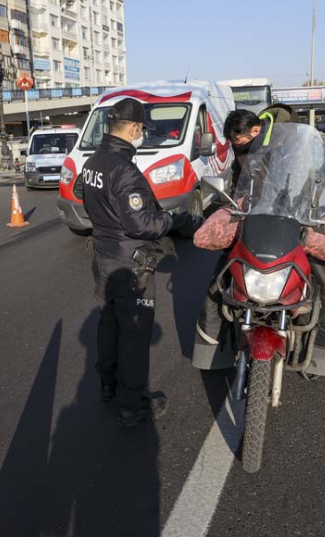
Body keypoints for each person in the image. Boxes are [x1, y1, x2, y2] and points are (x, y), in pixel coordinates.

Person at [191, 110, 325, 378]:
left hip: (291, 216)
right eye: (232, 139)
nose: (234, 144)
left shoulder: (291, 148)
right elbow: (241, 185)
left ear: (256, 131)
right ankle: (213, 342)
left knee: (324, 276)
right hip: (255, 218)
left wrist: (309, 209)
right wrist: (236, 206)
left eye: (237, 138)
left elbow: (308, 181)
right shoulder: (243, 152)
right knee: (221, 277)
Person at [82, 98, 196, 428]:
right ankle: (132, 403)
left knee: (109, 322)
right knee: (133, 332)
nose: (141, 134)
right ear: (133, 128)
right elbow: (141, 224)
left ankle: (107, 384)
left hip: (103, 254)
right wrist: (170, 219)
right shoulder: (124, 170)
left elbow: (83, 194)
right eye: (141, 130)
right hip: (131, 261)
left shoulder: (94, 161)